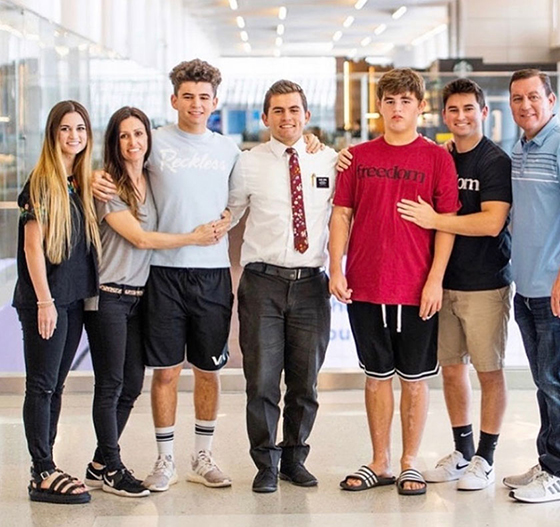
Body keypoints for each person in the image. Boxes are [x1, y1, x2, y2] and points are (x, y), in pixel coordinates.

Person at [93, 59, 237, 491]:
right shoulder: (152, 142)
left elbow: (240, 200)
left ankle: (203, 456)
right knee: (167, 371)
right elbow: (122, 162)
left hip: (212, 275)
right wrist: (97, 177)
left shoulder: (229, 149)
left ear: (215, 101)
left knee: (208, 371)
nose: (196, 104)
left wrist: (229, 217)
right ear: (174, 99)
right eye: (187, 96)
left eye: (204, 97)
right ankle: (165, 459)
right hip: (163, 275)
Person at [329, 68, 460, 495]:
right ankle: (380, 460)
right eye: (389, 101)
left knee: (415, 378)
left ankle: (409, 462)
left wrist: (435, 280)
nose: (397, 109)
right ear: (379, 106)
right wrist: (335, 266)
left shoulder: (438, 158)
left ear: (421, 108)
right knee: (376, 376)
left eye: (406, 101)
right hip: (365, 284)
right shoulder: (358, 157)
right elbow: (341, 214)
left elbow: (447, 223)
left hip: (417, 286)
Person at [396, 78, 512, 491]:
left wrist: (436, 220)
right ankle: (462, 451)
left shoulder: (494, 161)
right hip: (443, 283)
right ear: (442, 115)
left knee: (489, 371)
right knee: (450, 370)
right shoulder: (440, 156)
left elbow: (491, 221)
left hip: (485, 285)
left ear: (483, 111)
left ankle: (486, 456)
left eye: (468, 109)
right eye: (453, 110)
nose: (461, 117)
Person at [228, 80, 337, 493]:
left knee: (305, 381)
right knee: (261, 381)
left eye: (294, 110)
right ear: (265, 117)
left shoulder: (328, 159)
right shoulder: (248, 162)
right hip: (262, 284)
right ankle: (265, 464)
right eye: (278, 110)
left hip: (311, 285)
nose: (287, 117)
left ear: (307, 116)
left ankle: (294, 457)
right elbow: (232, 212)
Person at [502, 69, 560, 503]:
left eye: (534, 97)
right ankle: (548, 460)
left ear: (551, 100)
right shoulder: (520, 147)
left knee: (558, 380)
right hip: (529, 286)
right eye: (517, 99)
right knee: (544, 380)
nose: (526, 106)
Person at [12, 100, 101, 504]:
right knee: (42, 386)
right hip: (46, 302)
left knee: (56, 385)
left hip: (70, 300)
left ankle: (45, 464)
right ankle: (42, 469)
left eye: (80, 129)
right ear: (53, 134)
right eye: (66, 129)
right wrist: (45, 301)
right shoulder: (43, 182)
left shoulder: (76, 181)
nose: (73, 137)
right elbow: (33, 249)